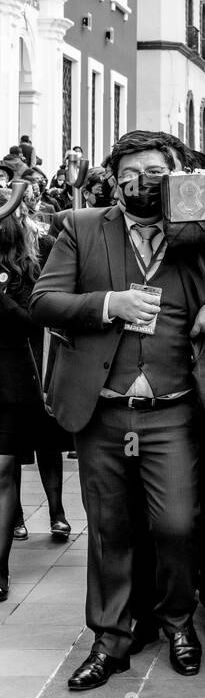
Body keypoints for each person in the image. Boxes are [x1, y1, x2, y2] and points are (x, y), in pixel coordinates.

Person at [30, 130, 205, 690]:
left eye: (154, 172)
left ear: (177, 173)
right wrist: (110, 304)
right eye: (128, 174)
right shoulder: (82, 228)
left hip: (173, 409)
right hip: (104, 411)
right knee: (109, 530)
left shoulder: (202, 229)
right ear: (114, 179)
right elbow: (43, 300)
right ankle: (109, 640)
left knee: (176, 525)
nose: (140, 183)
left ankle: (178, 621)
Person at [0, 203, 72, 598]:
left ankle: (58, 512)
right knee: (6, 461)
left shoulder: (35, 257)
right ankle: (17, 518)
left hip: (28, 364)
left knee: (44, 442)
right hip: (13, 368)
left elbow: (38, 315)